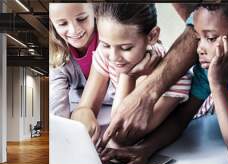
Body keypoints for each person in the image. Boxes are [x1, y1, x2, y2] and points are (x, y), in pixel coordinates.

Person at [100, 3, 228, 164]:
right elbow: (181, 119)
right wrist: (145, 150)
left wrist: (218, 84)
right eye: (198, 37)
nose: (199, 48)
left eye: (210, 38)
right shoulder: (207, 70)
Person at [71, 3, 192, 146]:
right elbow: (84, 108)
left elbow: (120, 135)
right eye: (105, 44)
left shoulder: (176, 77)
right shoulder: (107, 54)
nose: (113, 57)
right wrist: (84, 124)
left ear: (152, 36)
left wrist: (127, 76)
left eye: (126, 48)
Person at [49, 3, 158, 118]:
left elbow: (123, 120)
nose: (74, 30)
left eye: (82, 19)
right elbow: (62, 112)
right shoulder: (101, 55)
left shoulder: (149, 57)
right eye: (62, 23)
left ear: (95, 12)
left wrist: (127, 75)